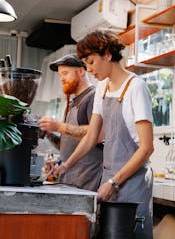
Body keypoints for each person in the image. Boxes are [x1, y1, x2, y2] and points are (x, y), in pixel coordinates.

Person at [55, 31, 154, 239]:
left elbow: (146, 148)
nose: (88, 69)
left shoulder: (136, 88)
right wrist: (66, 165)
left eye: (90, 62)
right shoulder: (102, 88)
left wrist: (115, 182)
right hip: (109, 179)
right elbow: (91, 136)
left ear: (107, 54)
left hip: (132, 182)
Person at [38, 54, 103, 191]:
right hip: (69, 180)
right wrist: (50, 133)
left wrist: (59, 126)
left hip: (87, 181)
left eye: (65, 73)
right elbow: (67, 143)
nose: (62, 79)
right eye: (60, 75)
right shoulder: (72, 103)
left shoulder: (93, 98)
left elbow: (97, 134)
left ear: (80, 71)